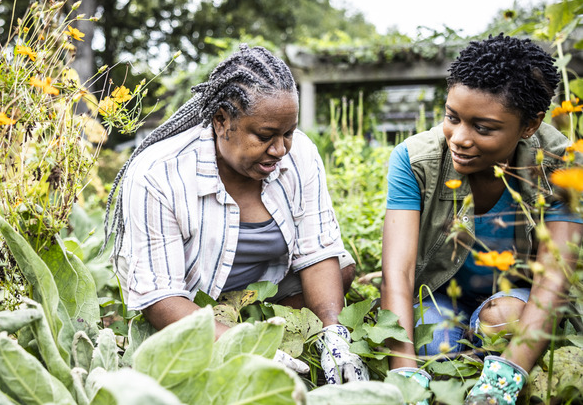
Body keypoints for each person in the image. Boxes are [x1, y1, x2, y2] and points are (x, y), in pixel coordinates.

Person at [103, 44, 368, 384]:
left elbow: (317, 252)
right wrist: (244, 347)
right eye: (265, 136)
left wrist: (334, 336)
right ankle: (229, 336)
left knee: (339, 269)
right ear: (221, 122)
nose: (280, 149)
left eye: (287, 133)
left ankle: (277, 332)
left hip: (262, 291)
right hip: (188, 300)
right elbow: (161, 296)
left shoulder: (298, 154)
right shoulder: (159, 173)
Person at [381, 34, 583, 404]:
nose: (459, 138)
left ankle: (498, 365)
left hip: (518, 301)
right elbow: (399, 273)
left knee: (502, 319)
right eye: (452, 117)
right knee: (434, 347)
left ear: (530, 125)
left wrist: (508, 377)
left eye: (483, 128)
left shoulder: (559, 163)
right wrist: (403, 374)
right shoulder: (414, 161)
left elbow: (555, 276)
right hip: (441, 297)